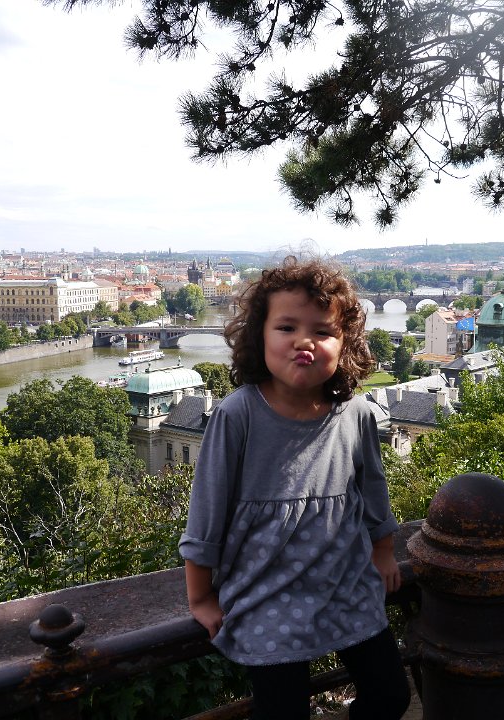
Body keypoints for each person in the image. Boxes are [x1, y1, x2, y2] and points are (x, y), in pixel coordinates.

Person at [179, 257, 411, 720]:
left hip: (346, 582)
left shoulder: (356, 414)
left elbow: (373, 491)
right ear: (259, 336)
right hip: (266, 594)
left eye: (322, 332)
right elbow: (207, 510)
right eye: (287, 327)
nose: (304, 341)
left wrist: (383, 551)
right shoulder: (237, 414)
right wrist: (200, 597)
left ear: (345, 345)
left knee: (391, 695)